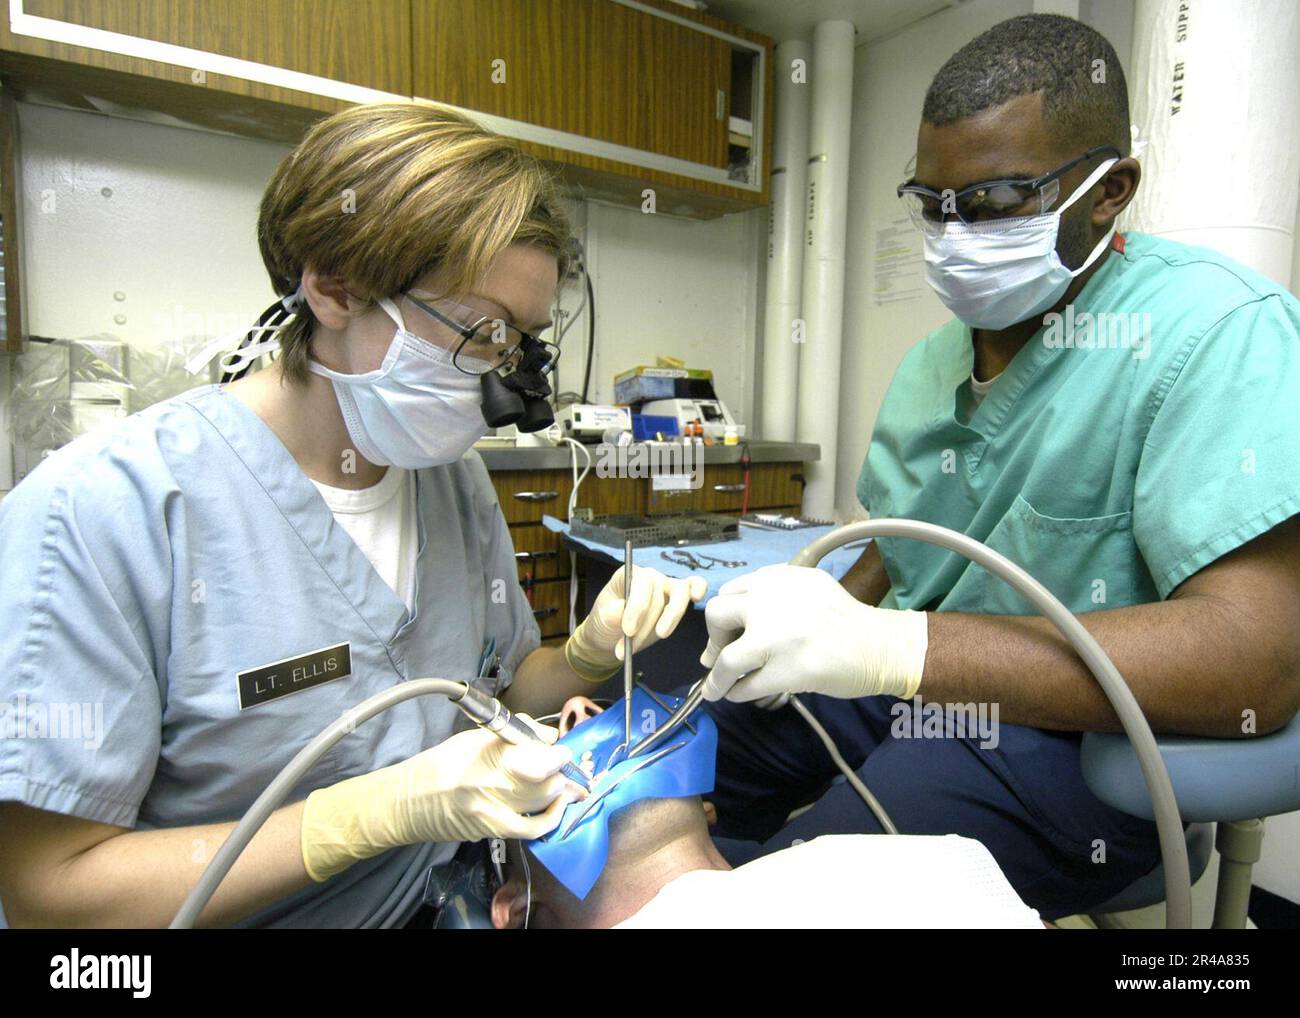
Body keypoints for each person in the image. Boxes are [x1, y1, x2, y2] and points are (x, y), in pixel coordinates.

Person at [0, 102, 704, 928]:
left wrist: (588, 652)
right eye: (480, 332)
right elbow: (50, 894)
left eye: (517, 345)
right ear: (334, 286)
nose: (502, 384)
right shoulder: (102, 513)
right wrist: (365, 817)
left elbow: (499, 685)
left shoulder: (449, 479)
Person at [695, 13, 1300, 919]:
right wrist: (793, 622)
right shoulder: (934, 363)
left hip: (1068, 741)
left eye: (990, 203)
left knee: (812, 892)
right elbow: (900, 561)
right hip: (907, 684)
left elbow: (1256, 663)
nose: (950, 233)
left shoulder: (1218, 332)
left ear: (1109, 190)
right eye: (930, 205)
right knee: (683, 756)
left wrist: (895, 650)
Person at [489, 699, 1043, 929]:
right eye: (532, 755)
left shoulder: (933, 864)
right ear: (514, 908)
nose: (580, 709)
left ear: (707, 810)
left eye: (601, 704)